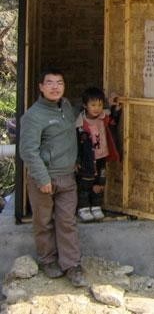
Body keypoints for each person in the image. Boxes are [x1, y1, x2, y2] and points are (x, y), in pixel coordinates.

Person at [19, 68, 87, 286]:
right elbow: (28, 151)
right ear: (41, 87)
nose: (55, 87)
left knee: (67, 221)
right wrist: (43, 178)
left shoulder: (65, 107)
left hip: (67, 177)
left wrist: (108, 106)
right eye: (49, 83)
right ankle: (48, 260)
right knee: (43, 222)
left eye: (59, 82)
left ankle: (72, 265)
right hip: (44, 179)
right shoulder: (33, 116)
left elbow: (82, 113)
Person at [75, 87, 121, 223]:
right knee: (85, 183)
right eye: (93, 105)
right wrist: (76, 160)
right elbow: (75, 144)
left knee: (100, 182)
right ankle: (83, 208)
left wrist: (115, 106)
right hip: (87, 159)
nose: (97, 108)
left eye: (100, 105)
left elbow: (113, 119)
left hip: (101, 156)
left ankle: (96, 206)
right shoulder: (80, 123)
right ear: (85, 105)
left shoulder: (103, 118)